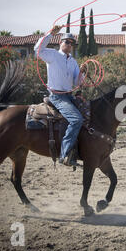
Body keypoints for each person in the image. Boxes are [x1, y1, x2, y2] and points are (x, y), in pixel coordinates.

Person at [34, 25, 85, 166]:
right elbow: (37, 50)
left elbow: (77, 82)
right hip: (57, 96)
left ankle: (78, 151)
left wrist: (82, 73)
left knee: (87, 115)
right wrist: (51, 33)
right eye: (66, 42)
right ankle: (65, 154)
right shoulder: (52, 55)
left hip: (69, 95)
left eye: (72, 43)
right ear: (60, 42)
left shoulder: (73, 62)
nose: (69, 45)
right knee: (76, 120)